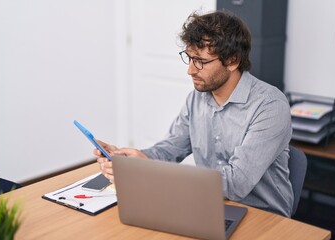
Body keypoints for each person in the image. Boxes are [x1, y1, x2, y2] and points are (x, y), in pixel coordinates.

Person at [95, 10, 293, 217]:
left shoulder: (270, 105)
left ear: (233, 61)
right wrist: (135, 160)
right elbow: (170, 150)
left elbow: (236, 184)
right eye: (189, 58)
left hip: (264, 216)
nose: (190, 70)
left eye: (201, 61)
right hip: (210, 206)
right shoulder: (197, 99)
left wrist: (154, 174)